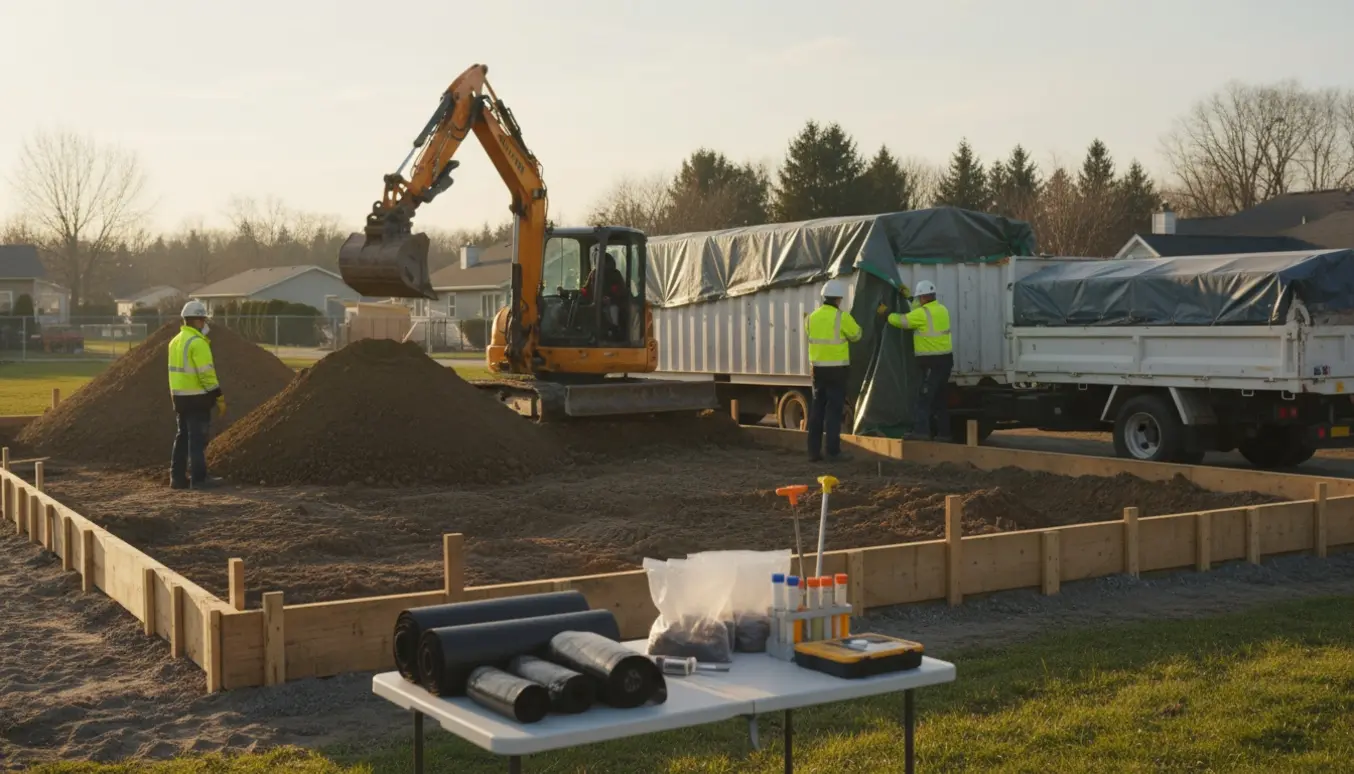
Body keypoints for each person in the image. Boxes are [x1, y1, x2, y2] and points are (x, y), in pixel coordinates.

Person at [881, 279, 953, 441]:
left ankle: (921, 432)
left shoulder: (921, 314)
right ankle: (944, 434)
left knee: (924, 398)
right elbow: (918, 313)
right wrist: (910, 298)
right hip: (945, 361)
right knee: (940, 399)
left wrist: (886, 314)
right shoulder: (942, 310)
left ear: (923, 298)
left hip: (931, 362)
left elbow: (903, 321)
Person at [168, 301, 225, 489]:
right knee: (197, 440)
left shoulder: (175, 342)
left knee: (182, 437)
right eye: (203, 320)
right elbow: (206, 373)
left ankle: (176, 479)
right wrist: (218, 395)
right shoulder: (198, 343)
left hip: (179, 398)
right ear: (199, 320)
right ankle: (199, 480)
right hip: (198, 399)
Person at [805, 279, 862, 462]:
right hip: (837, 371)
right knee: (834, 411)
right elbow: (857, 335)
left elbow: (809, 334)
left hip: (818, 371)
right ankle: (833, 451)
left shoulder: (811, 317)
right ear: (839, 299)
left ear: (824, 297)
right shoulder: (842, 317)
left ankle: (813, 452)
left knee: (816, 411)